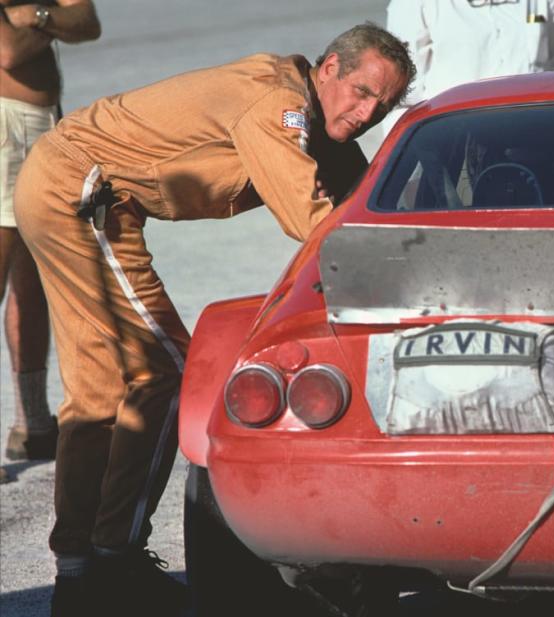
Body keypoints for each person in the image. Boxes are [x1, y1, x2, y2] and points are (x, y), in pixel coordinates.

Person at [13, 22, 414, 617]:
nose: (366, 113)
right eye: (360, 91)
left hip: (88, 194)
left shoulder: (313, 115)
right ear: (328, 68)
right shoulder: (278, 106)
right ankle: (110, 562)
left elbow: (365, 202)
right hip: (78, 190)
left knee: (104, 388)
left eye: (382, 105)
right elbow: (318, 227)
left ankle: (81, 575)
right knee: (167, 371)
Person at [1, 2, 100, 481]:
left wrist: (34, 15)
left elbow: (87, 22)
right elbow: (7, 51)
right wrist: (49, 22)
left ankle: (33, 422)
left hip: (42, 122)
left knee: (33, 281)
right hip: (4, 126)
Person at [382, 0, 554, 137]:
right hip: (455, 143)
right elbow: (404, 95)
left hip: (536, 137)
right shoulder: (417, 4)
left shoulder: (541, 3)